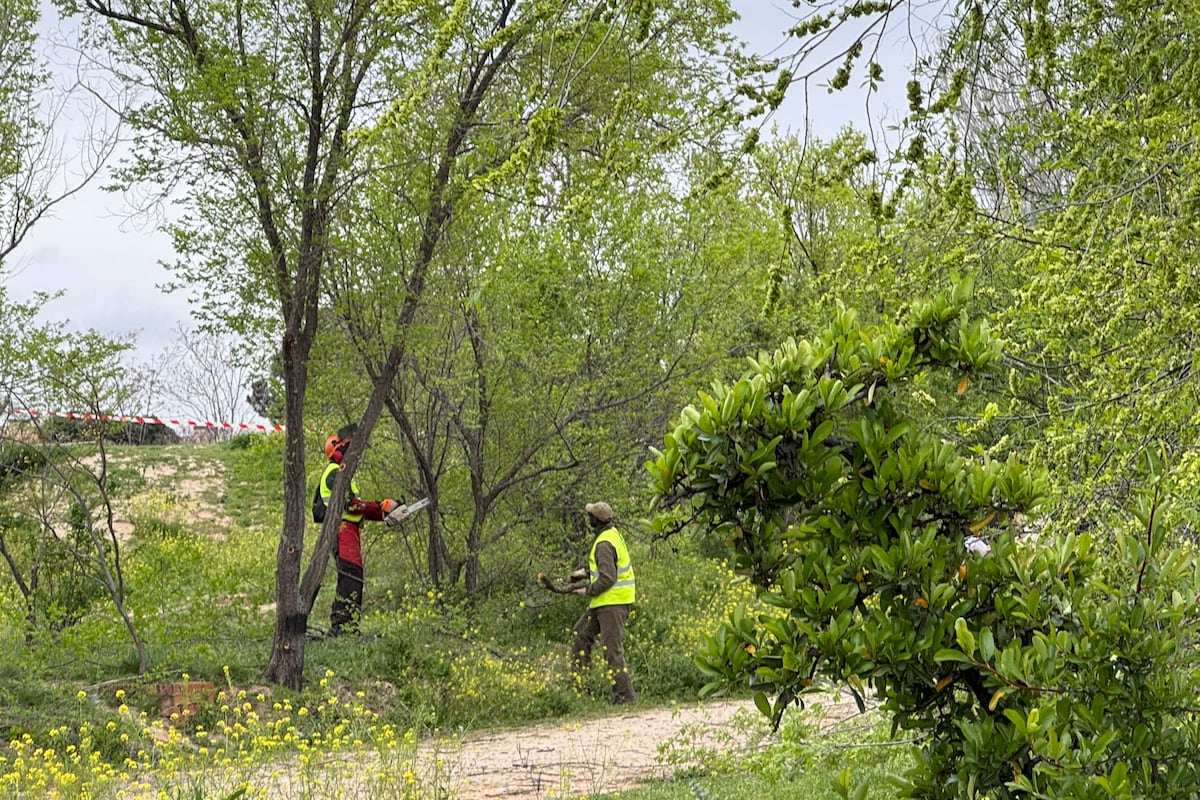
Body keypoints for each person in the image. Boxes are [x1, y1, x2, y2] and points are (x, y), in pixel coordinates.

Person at [316, 423, 400, 637]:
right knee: (350, 576)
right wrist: (379, 506)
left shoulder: (343, 474)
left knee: (354, 577)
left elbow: (356, 508)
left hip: (349, 531)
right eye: (346, 446)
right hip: (341, 531)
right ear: (337, 449)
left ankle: (347, 627)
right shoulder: (334, 473)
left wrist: (384, 513)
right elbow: (350, 505)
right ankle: (342, 628)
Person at [570, 500, 637, 704]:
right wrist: (584, 573)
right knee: (580, 636)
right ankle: (581, 689)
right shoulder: (612, 535)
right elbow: (605, 567)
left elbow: (608, 577)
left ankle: (625, 697)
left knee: (612, 649)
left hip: (612, 604)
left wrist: (586, 590)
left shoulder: (603, 543)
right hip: (604, 603)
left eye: (591, 515)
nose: (588, 517)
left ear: (596, 520)